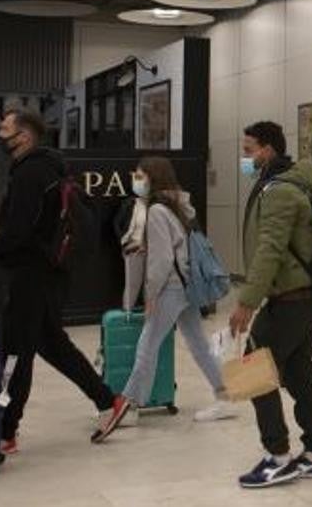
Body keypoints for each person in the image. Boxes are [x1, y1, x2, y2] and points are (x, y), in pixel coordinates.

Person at [0, 107, 117, 456]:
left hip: (32, 275)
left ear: (24, 136)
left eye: (5, 129)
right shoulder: (46, 168)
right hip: (46, 273)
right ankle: (108, 400)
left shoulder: (30, 173)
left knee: (15, 354)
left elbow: (15, 234)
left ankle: (6, 431)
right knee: (50, 344)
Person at [91, 157, 235, 443]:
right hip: (187, 285)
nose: (137, 180)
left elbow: (160, 259)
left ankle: (127, 403)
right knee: (197, 344)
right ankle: (225, 396)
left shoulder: (157, 210)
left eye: (141, 175)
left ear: (153, 179)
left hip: (170, 287)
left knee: (148, 344)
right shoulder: (180, 205)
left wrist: (151, 295)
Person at [229, 121, 312, 488]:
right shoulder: (290, 184)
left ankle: (278, 456)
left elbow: (270, 249)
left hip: (290, 299)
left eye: (249, 150)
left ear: (268, 150)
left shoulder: (280, 191)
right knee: (298, 373)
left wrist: (246, 301)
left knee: (254, 371)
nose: (246, 157)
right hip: (303, 298)